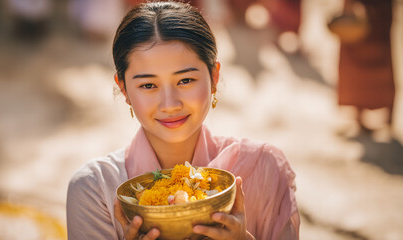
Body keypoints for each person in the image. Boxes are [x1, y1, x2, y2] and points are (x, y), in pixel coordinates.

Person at [66, 1, 300, 239]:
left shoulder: (262, 168)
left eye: (185, 80)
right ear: (124, 89)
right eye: (148, 85)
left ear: (214, 77)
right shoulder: (96, 190)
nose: (170, 104)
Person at [336, 0, 395, 133]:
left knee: (379, 57)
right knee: (357, 60)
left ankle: (387, 113)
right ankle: (360, 114)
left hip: (380, 14)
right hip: (363, 13)